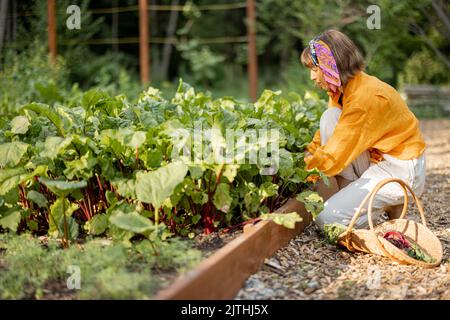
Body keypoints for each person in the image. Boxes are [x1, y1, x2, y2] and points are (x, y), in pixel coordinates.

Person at [297, 29, 426, 230]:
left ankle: (388, 204)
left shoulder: (363, 99)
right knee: (330, 118)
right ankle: (367, 200)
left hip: (399, 168)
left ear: (332, 66)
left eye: (315, 68)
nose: (312, 77)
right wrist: (306, 155)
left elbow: (334, 156)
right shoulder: (342, 89)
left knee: (327, 219)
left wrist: (299, 172)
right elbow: (327, 139)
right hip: (378, 159)